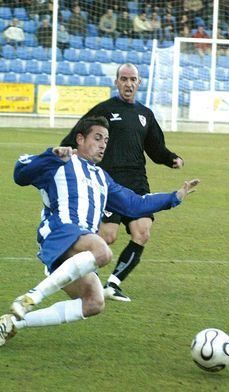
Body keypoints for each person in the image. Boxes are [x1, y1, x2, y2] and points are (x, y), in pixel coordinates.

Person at [0, 117, 199, 347]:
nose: (103, 145)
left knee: (94, 303)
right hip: (60, 233)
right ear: (80, 139)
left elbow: (135, 204)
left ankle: (12, 325)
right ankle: (30, 297)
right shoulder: (60, 162)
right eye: (97, 138)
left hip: (77, 251)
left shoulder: (102, 177)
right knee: (103, 252)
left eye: (106, 140)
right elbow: (20, 174)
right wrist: (51, 155)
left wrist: (175, 197)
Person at [58, 63, 184, 302]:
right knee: (107, 236)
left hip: (137, 181)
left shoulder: (145, 114)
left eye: (132, 79)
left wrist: (171, 159)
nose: (128, 84)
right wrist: (66, 151)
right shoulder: (103, 110)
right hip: (109, 182)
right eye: (124, 79)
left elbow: (156, 149)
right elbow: (78, 135)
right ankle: (77, 275)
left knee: (142, 231)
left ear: (139, 83)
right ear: (116, 82)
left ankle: (113, 284)